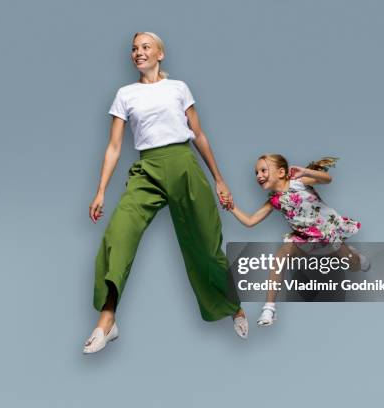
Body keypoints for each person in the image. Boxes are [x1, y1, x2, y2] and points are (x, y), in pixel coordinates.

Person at [83, 32, 248, 354]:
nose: (138, 52)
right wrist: (101, 190)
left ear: (160, 54)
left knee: (205, 245)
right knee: (117, 237)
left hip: (184, 164)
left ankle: (233, 307)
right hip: (148, 170)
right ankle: (107, 321)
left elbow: (198, 134)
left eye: (145, 47)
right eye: (134, 48)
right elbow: (115, 147)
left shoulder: (178, 88)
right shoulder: (125, 94)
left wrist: (219, 179)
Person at [224, 154, 369, 326]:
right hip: (304, 239)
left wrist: (306, 172)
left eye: (263, 170)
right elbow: (250, 221)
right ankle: (269, 308)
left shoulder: (299, 181)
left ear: (281, 172)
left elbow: (328, 179)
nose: (258, 176)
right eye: (256, 173)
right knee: (281, 256)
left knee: (353, 266)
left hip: (328, 233)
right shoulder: (274, 201)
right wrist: (232, 207)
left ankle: (356, 256)